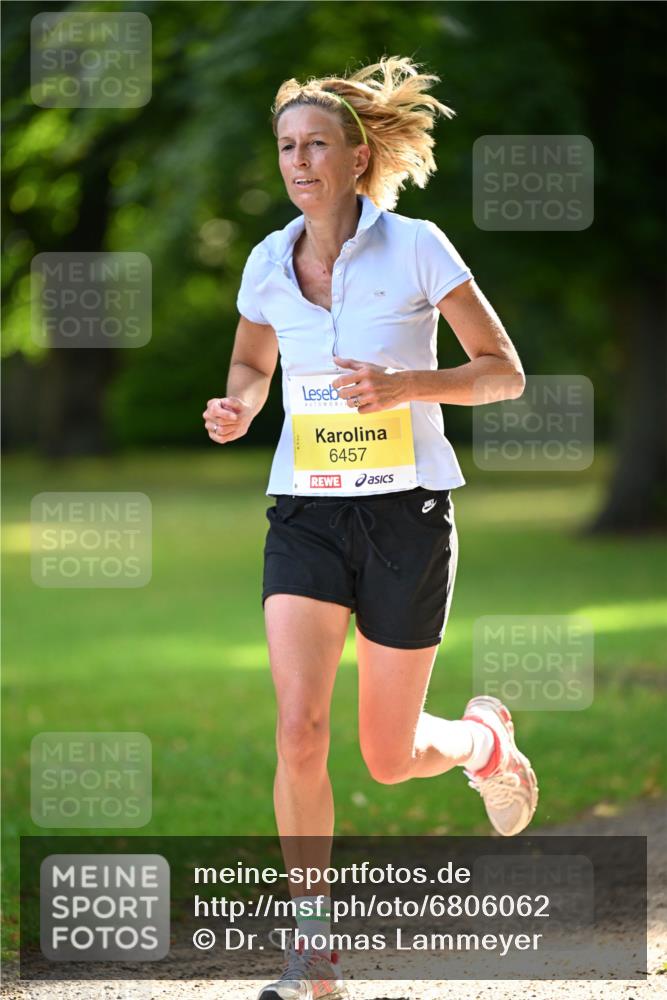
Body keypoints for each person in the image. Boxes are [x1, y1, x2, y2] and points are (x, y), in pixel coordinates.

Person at [202, 55, 538, 1000]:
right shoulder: (267, 261)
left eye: (316, 145)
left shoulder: (418, 246)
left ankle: (480, 742)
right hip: (305, 514)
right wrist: (238, 406)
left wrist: (408, 385)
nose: (299, 162)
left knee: (388, 761)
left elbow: (503, 371)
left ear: (357, 158)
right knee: (299, 729)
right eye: (286, 147)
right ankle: (312, 950)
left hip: (406, 516)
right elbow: (250, 362)